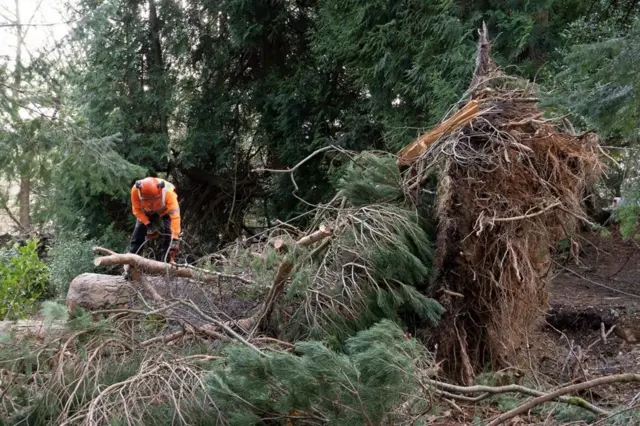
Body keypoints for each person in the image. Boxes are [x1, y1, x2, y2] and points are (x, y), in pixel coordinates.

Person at [128, 176, 181, 262]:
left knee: (169, 232)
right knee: (138, 233)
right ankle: (131, 259)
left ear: (160, 190)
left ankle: (168, 260)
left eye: (153, 199)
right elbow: (137, 210)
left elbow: (175, 216)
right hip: (146, 211)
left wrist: (175, 238)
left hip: (164, 210)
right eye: (147, 200)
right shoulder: (136, 190)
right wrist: (148, 224)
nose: (150, 202)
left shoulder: (168, 193)